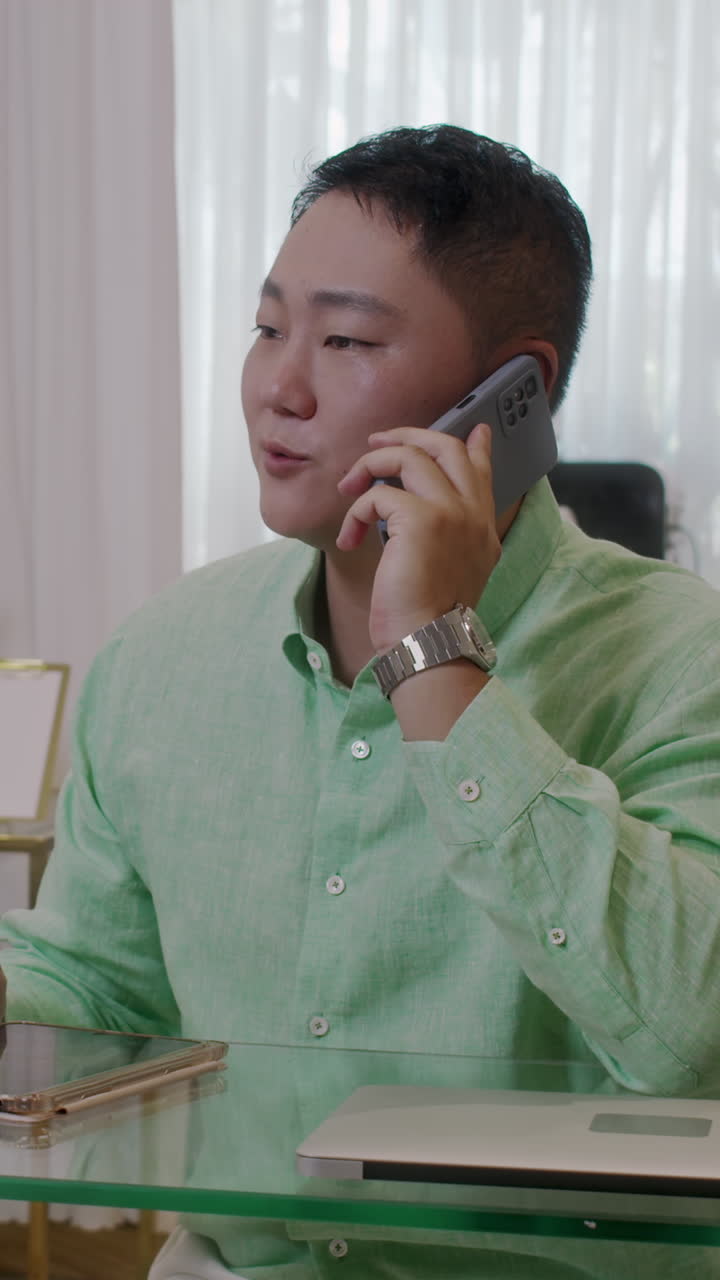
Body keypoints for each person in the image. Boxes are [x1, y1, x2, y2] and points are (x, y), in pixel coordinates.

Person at [2, 124, 720, 1278]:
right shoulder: (161, 655)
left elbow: (692, 1034)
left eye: (343, 339)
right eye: (267, 326)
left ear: (511, 394)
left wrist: (439, 661)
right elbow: (100, 985)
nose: (277, 386)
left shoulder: (684, 655)